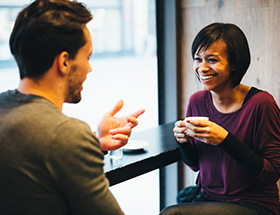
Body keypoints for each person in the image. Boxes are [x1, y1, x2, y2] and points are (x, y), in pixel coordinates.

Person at [0, 0, 145, 214]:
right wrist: (81, 142)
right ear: (65, 62)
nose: (89, 68)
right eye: (87, 57)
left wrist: (96, 143)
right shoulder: (67, 135)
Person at [160, 23, 280, 215]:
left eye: (212, 60)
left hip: (254, 204)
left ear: (234, 63)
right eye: (197, 59)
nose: (202, 68)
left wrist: (225, 139)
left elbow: (272, 172)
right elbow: (195, 165)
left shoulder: (261, 104)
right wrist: (183, 142)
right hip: (209, 197)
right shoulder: (197, 101)